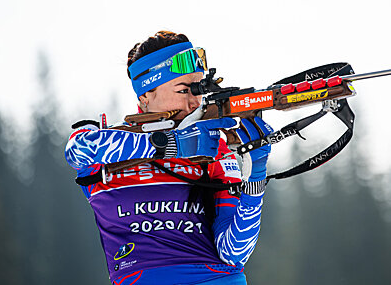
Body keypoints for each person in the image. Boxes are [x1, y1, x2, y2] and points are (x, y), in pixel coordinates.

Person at [65, 31, 272, 285]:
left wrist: (256, 178)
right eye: (184, 90)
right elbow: (77, 150)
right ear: (145, 96)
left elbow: (233, 253)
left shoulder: (212, 148)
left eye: (199, 89)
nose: (195, 101)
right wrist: (174, 146)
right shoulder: (108, 142)